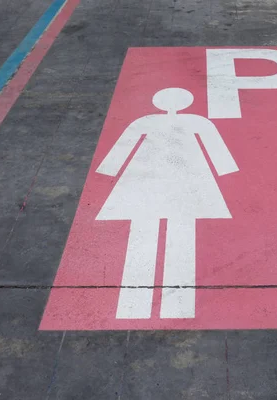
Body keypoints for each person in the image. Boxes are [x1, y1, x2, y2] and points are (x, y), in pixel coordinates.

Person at [96, 87, 239, 319]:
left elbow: (121, 150)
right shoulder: (197, 122)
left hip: (144, 181)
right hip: (189, 182)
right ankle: (178, 303)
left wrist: (110, 170)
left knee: (142, 232)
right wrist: (224, 170)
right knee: (182, 232)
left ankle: (133, 304)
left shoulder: (145, 121)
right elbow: (218, 154)